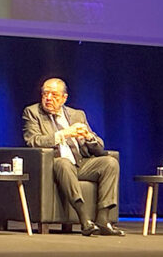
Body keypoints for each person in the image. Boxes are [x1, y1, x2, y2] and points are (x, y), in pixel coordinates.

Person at [22, 77, 125, 236]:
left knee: (110, 163)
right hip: (54, 165)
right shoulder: (32, 112)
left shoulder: (77, 115)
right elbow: (33, 141)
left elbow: (99, 148)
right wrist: (63, 134)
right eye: (45, 94)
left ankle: (103, 220)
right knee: (64, 163)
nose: (48, 98)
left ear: (64, 98)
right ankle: (84, 220)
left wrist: (89, 137)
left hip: (81, 163)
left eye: (54, 95)